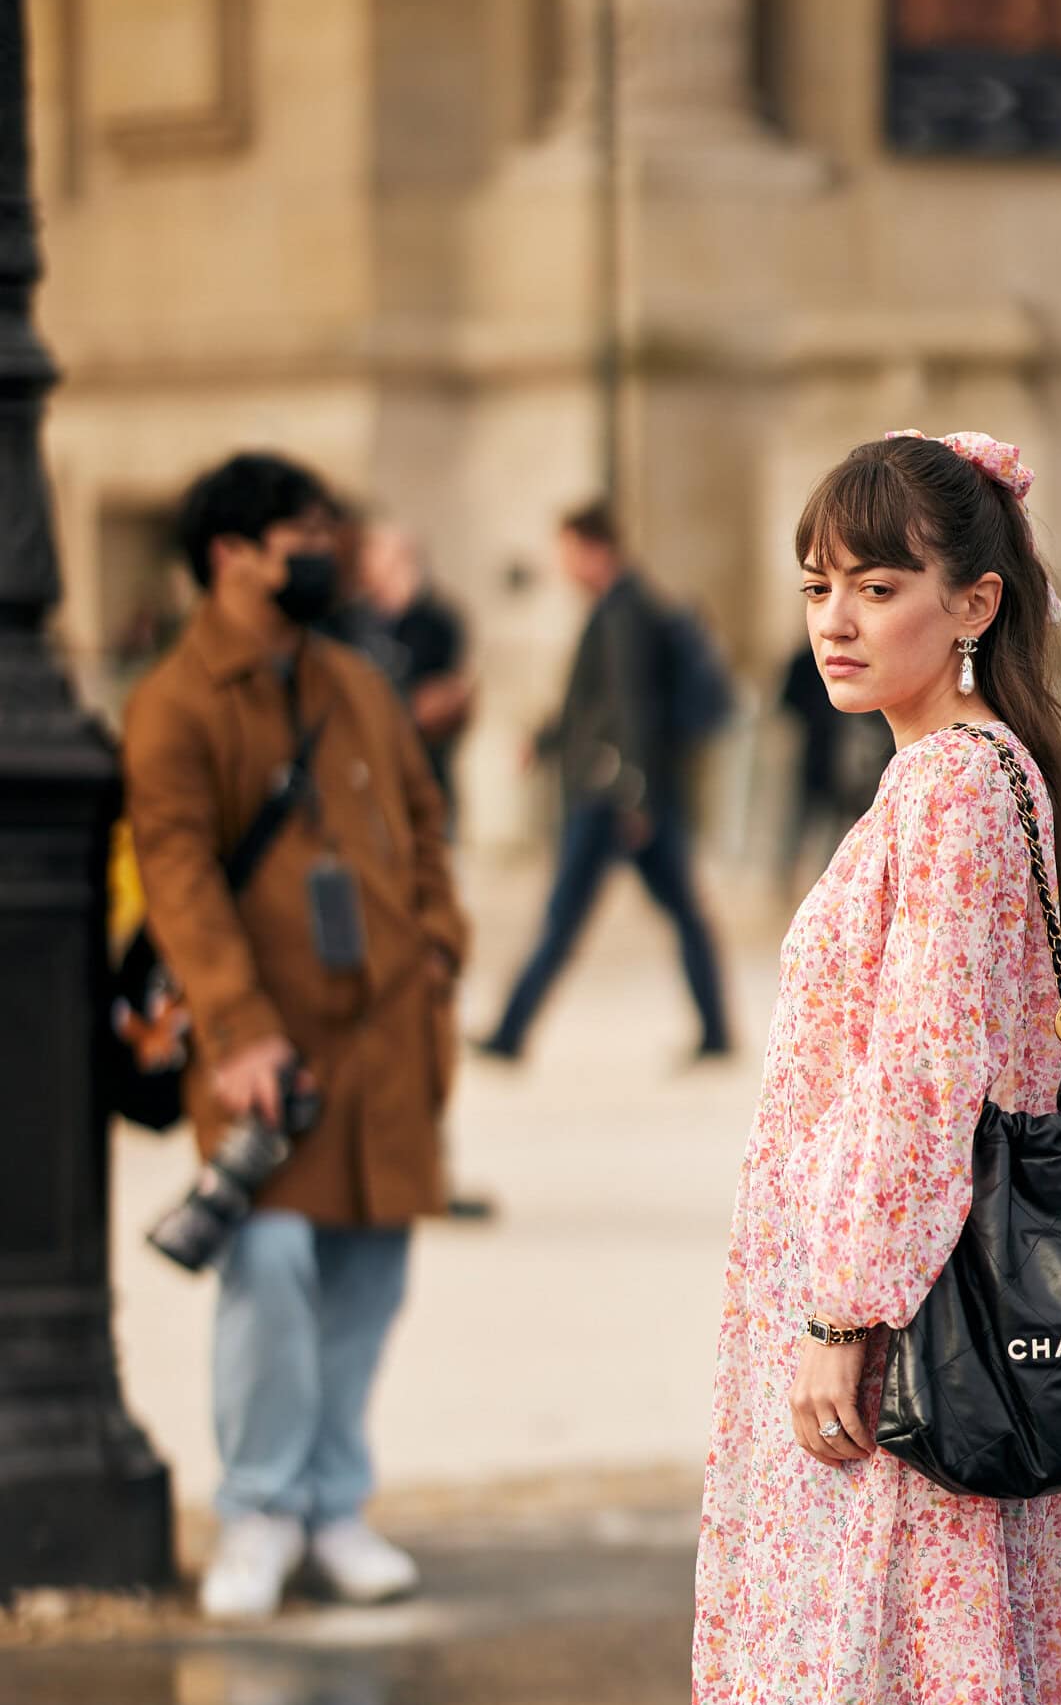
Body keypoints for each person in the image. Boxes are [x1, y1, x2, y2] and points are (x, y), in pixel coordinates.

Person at [693, 428, 1061, 1705]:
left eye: (878, 584)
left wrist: (846, 1316)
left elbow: (928, 1076)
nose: (837, 620)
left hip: (904, 1328)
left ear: (973, 600)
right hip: (895, 1308)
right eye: (817, 584)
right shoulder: (952, 777)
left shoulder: (948, 792)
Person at [125, 452, 468, 1621]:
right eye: (302, 534)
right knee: (269, 1267)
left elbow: (423, 822)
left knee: (370, 1272)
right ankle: (261, 1508)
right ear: (232, 554)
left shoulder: (353, 678)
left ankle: (332, 1501)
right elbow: (177, 879)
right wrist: (238, 1030)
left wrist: (439, 946)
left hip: (387, 1036)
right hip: (266, 1050)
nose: (325, 551)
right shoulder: (173, 704)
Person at [475, 499, 732, 1064]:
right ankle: (715, 1031)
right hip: (625, 790)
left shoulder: (624, 611)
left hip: (611, 795)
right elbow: (591, 706)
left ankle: (510, 1032)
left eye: (568, 552)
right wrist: (543, 744)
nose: (563, 566)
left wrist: (637, 793)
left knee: (565, 916)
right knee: (678, 910)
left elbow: (630, 705)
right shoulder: (622, 606)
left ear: (594, 549)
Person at [353, 520, 475, 833]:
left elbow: (439, 699)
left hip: (422, 773)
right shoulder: (356, 620)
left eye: (375, 553)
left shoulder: (435, 622)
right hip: (366, 779)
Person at [776, 638, 894, 895]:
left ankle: (824, 886)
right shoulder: (810, 660)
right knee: (801, 821)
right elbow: (789, 705)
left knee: (833, 829)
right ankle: (787, 879)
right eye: (817, 594)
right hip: (817, 757)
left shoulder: (867, 663)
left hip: (851, 768)